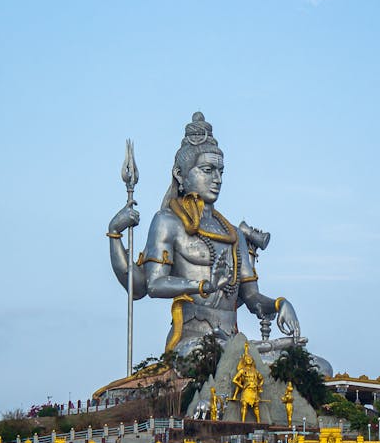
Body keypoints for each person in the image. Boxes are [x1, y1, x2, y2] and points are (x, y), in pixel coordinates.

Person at [107, 112, 300, 357]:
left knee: (317, 365)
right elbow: (151, 285)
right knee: (214, 356)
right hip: (191, 342)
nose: (217, 179)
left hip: (233, 340)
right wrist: (115, 233)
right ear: (180, 174)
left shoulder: (233, 234)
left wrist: (280, 304)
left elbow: (252, 298)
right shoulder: (168, 222)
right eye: (208, 170)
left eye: (221, 171)